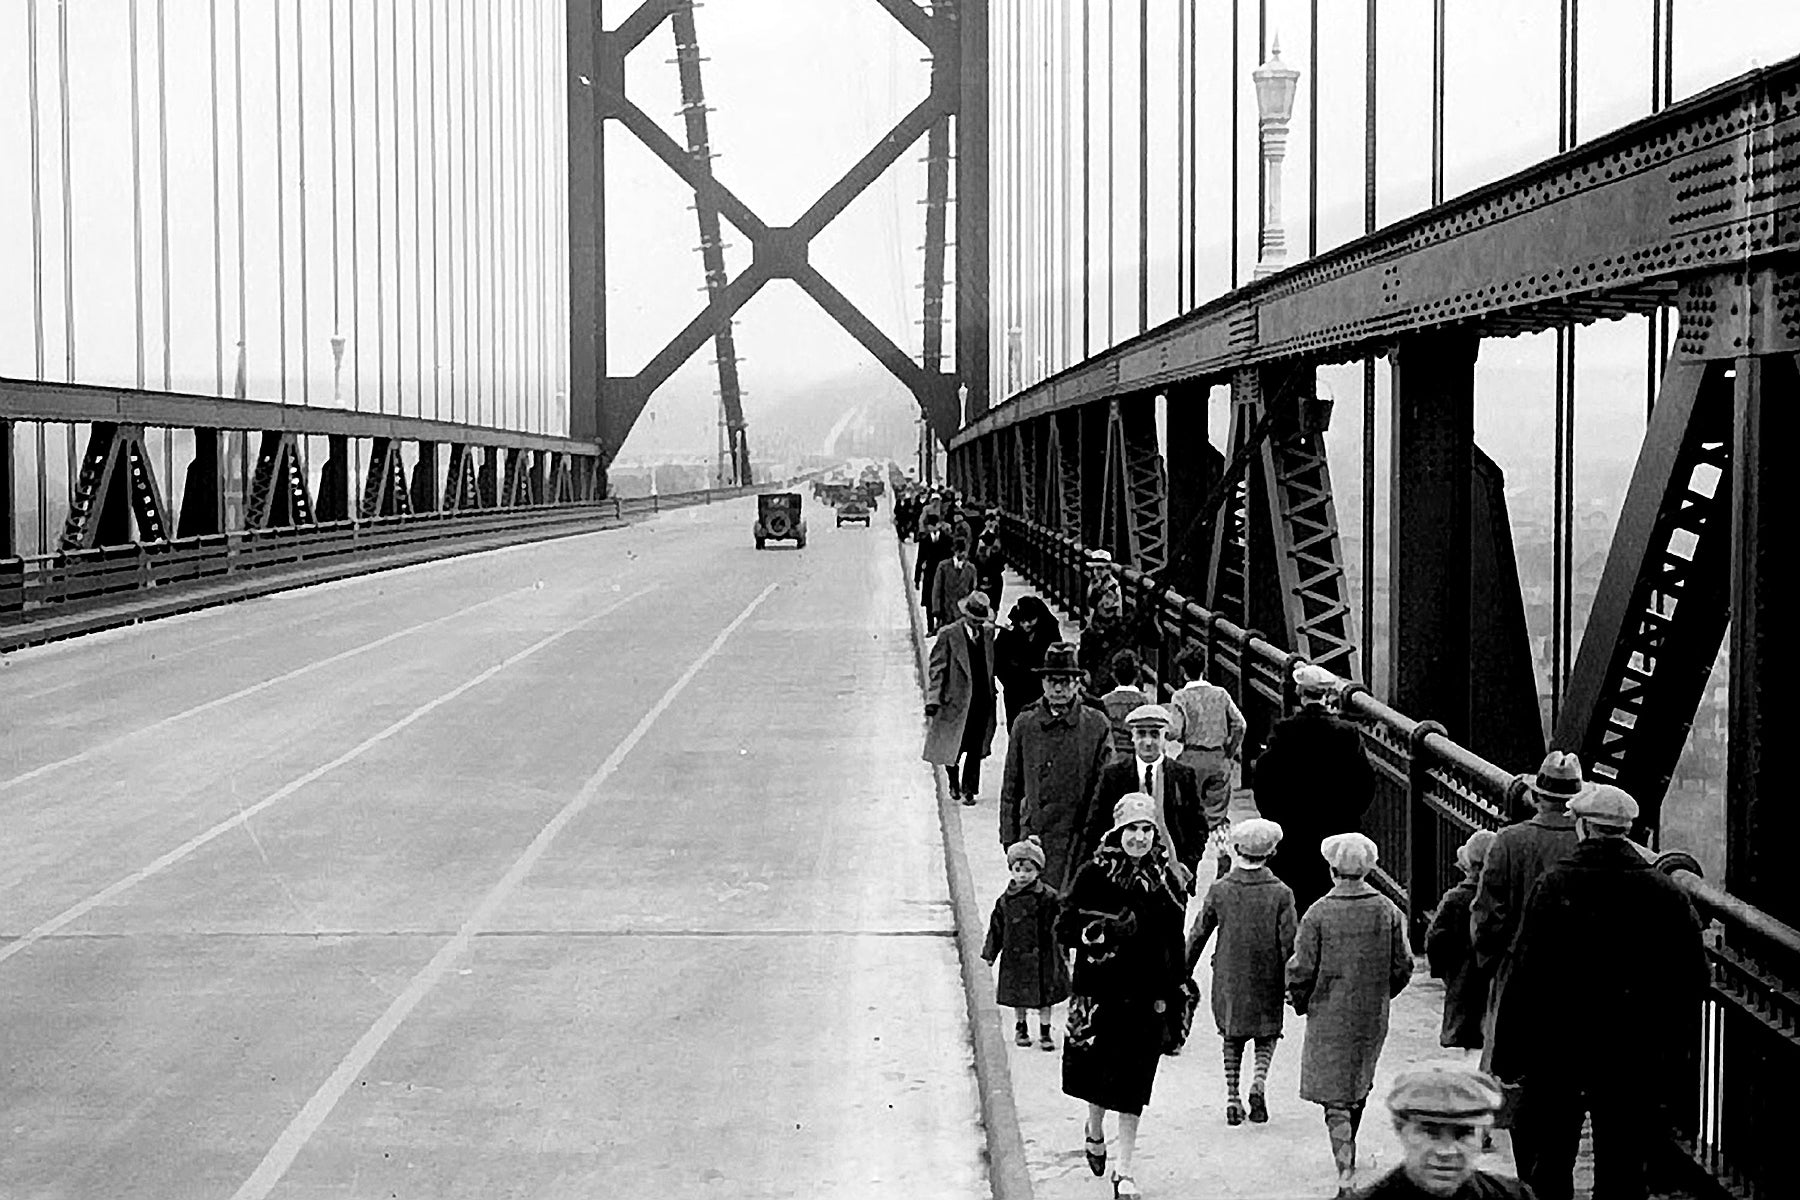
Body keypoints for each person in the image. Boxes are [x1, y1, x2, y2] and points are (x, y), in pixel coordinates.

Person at [1492, 785, 1708, 1200]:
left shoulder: (1554, 885)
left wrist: (1510, 1054)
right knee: (1624, 1164)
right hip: (1633, 1052)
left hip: (1560, 1049)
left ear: (1584, 827)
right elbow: (1692, 980)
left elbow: (1527, 976)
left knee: (1551, 1156)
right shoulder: (1665, 892)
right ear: (1626, 832)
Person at [1058, 793, 1189, 1200]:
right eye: (1131, 829)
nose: (1139, 838)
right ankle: (1094, 1129)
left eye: (1146, 829)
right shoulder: (1093, 874)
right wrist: (1103, 932)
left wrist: (1178, 991)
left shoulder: (1167, 881)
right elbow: (1064, 928)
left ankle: (1124, 1171)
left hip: (1147, 996)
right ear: (1117, 832)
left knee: (1134, 1085)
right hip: (1100, 994)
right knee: (1099, 1079)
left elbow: (1174, 938)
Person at [1287, 832, 1414, 1198]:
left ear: (1331, 870)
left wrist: (1299, 1000)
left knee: (1335, 1097)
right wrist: (1384, 993)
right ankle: (1349, 1148)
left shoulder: (1318, 914)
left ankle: (1345, 1173)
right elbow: (1402, 964)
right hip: (1372, 1011)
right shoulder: (1388, 910)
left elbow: (1301, 968)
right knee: (1357, 1083)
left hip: (1329, 1011)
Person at [1470, 751, 1586, 1106]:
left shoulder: (1508, 840)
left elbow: (1488, 912)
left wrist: (1491, 959)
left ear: (1537, 797)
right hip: (1573, 969)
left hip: (1514, 963)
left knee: (1506, 1045)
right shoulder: (1584, 844)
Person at [1187, 818, 1297, 1126]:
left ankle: (1232, 1097)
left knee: (1231, 1036)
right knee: (1266, 1033)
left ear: (1236, 849)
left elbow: (1198, 933)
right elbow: (1290, 942)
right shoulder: (1281, 893)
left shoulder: (1221, 889)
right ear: (1272, 851)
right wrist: (1294, 982)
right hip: (1268, 973)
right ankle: (1259, 1081)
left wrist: (1182, 971)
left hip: (1230, 971)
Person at [1252, 663, 1375, 915]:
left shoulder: (1283, 731)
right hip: (1335, 831)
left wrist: (1275, 819)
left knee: (1295, 902)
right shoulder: (1346, 734)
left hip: (1292, 834)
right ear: (1328, 695)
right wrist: (1349, 818)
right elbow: (1365, 784)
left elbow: (1263, 781)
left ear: (1299, 693)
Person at [999, 642, 1114, 891]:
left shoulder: (1096, 725)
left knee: (1069, 911)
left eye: (1066, 681)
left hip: (1077, 839)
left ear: (1077, 684)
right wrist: (1009, 838)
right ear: (1042, 683)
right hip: (1034, 838)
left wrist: (1095, 835)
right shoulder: (1025, 724)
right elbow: (1011, 785)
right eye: (1052, 681)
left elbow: (1104, 788)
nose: (1058, 688)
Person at [1353, 1063, 1534, 1198]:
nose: (1445, 1151)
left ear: (1484, 1135)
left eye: (1463, 1134)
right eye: (1430, 1133)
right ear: (1401, 1130)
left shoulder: (1514, 1196)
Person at [1080, 704, 1207, 895]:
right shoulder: (1113, 775)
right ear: (1132, 736)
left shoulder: (1183, 775)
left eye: (1155, 734)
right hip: (1122, 875)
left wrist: (1187, 863)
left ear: (1166, 737)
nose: (1148, 742)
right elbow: (1096, 824)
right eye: (1141, 734)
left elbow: (1197, 826)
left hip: (1171, 873)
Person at [983, 836, 1071, 1051]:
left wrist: (1067, 940)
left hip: (1044, 954)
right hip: (1017, 955)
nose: (1022, 875)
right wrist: (990, 952)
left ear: (1038, 871)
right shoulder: (1005, 900)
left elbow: (1063, 919)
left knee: (1045, 999)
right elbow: (997, 927)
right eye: (1018, 869)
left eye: (1028, 870)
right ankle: (1021, 1027)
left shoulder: (1048, 897)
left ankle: (1045, 1031)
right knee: (1019, 998)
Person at [1166, 645, 1246, 880]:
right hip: (1218, 758)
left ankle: (1189, 859)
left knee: (1187, 810)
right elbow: (1240, 724)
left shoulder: (1180, 697)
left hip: (1190, 758)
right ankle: (1222, 851)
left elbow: (1176, 731)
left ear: (1183, 671)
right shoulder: (1221, 694)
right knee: (1217, 812)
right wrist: (1229, 751)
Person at [1425, 829, 1498, 1055]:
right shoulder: (1504, 896)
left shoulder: (1456, 898)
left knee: (1464, 1036)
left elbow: (1435, 940)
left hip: (1462, 979)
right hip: (1493, 979)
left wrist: (1442, 969)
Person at [923, 591, 998, 806]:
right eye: (974, 620)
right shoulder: (949, 635)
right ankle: (953, 780)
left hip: (982, 699)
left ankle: (969, 790)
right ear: (965, 616)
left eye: (980, 621)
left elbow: (992, 663)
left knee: (975, 747)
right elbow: (937, 669)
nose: (977, 624)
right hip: (956, 700)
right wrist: (933, 699)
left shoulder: (987, 635)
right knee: (955, 744)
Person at [994, 596, 1061, 729]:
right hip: (1015, 691)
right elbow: (999, 660)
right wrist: (1011, 680)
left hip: (1041, 691)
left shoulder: (1050, 631)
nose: (1026, 625)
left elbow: (1057, 661)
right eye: (1022, 621)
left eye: (1030, 620)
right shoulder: (1008, 632)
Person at [1099, 650, 1156, 758]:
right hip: (1139, 755)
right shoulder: (1147, 701)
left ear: (1113, 675)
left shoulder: (1104, 701)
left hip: (1113, 756)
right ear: (1137, 674)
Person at [931, 537, 979, 632]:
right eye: (960, 551)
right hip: (946, 612)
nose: (962, 554)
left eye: (964, 551)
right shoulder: (943, 567)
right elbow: (937, 589)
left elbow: (972, 591)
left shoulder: (971, 569)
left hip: (963, 615)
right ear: (955, 551)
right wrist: (936, 610)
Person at [914, 513, 953, 631]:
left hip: (943, 574)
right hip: (929, 573)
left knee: (941, 598)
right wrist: (917, 578)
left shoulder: (946, 539)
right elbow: (920, 559)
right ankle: (930, 627)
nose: (931, 527)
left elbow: (950, 557)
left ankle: (940, 623)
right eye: (929, 525)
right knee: (928, 600)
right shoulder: (925, 540)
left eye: (933, 525)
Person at [973, 511, 1007, 613]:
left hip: (986, 580)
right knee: (993, 606)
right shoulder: (996, 551)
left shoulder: (979, 551)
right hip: (993, 580)